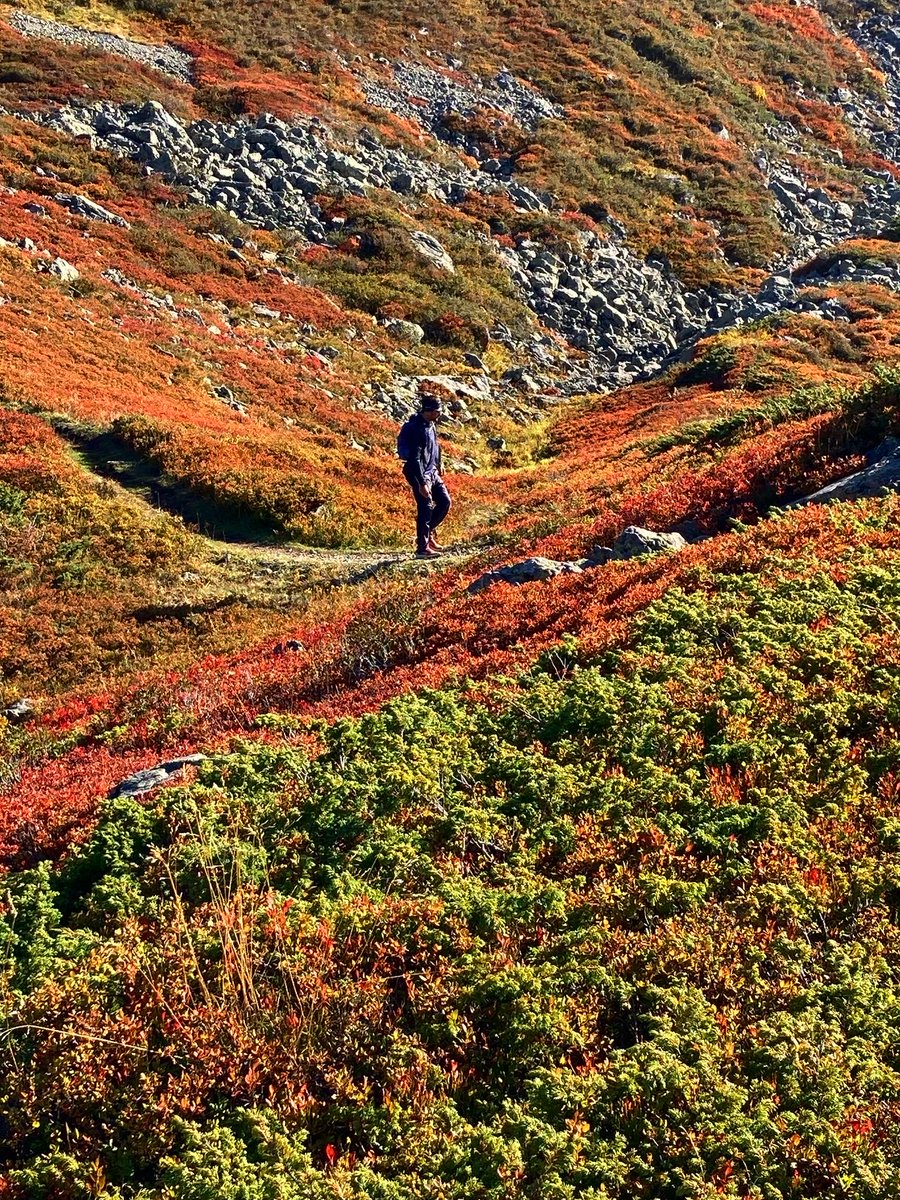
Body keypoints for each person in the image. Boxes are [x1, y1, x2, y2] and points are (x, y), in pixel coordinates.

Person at [400, 395, 452, 558]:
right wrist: (422, 483)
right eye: (437, 411)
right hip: (419, 473)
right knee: (425, 508)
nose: (440, 414)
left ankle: (428, 534)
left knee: (444, 502)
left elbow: (435, 445)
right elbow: (414, 459)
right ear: (428, 411)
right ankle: (422, 548)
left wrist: (439, 463)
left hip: (432, 471)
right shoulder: (417, 429)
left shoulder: (431, 425)